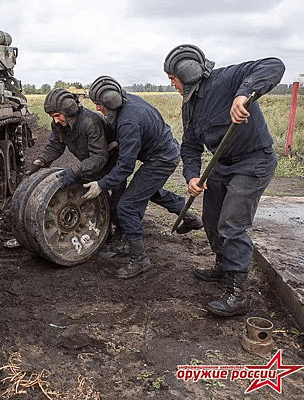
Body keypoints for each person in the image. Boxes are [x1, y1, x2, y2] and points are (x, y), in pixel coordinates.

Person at [163, 44, 285, 316]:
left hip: (254, 160)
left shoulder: (227, 79)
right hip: (223, 163)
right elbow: (190, 146)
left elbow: (273, 64)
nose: (171, 83)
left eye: (173, 77)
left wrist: (243, 95)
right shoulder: (190, 106)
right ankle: (223, 264)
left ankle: (238, 294)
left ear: (188, 71)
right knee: (211, 217)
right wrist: (192, 175)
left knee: (232, 224)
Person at [82, 76, 203, 279]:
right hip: (162, 151)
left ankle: (140, 259)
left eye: (99, 105)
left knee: (127, 205)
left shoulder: (129, 121)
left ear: (111, 101)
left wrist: (101, 184)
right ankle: (190, 217)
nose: (98, 109)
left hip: (162, 158)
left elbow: (126, 166)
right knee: (148, 192)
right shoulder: (125, 102)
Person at [24, 88, 115, 184]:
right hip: (91, 164)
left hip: (112, 164)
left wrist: (74, 171)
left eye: (58, 115)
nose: (55, 120)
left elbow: (99, 157)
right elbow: (55, 146)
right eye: (52, 117)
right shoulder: (59, 124)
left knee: (115, 195)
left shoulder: (90, 123)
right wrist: (40, 161)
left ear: (69, 111)